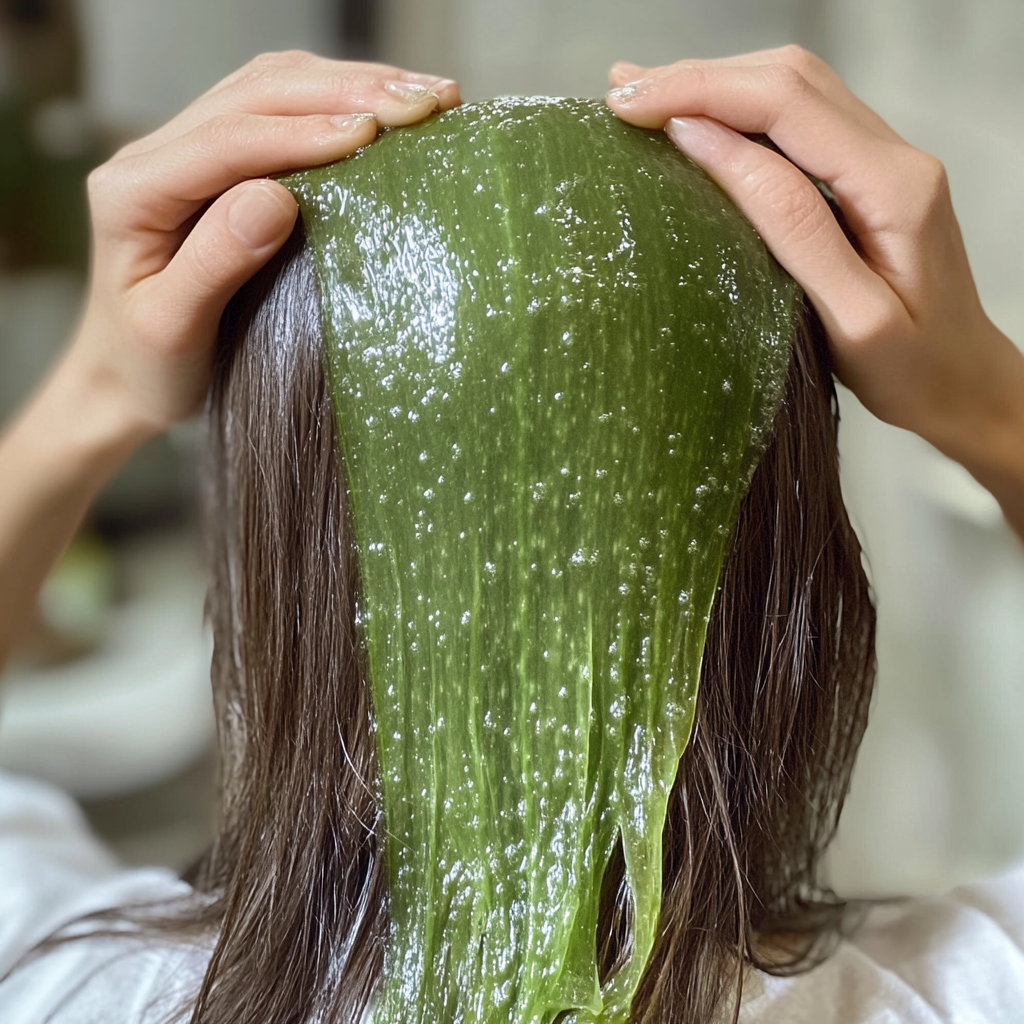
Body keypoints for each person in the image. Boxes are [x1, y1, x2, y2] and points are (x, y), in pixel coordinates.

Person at [0, 44, 1021, 1023]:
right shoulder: (966, 994)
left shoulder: (74, 989)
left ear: (282, 560)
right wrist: (982, 400)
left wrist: (93, 396)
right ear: (786, 570)